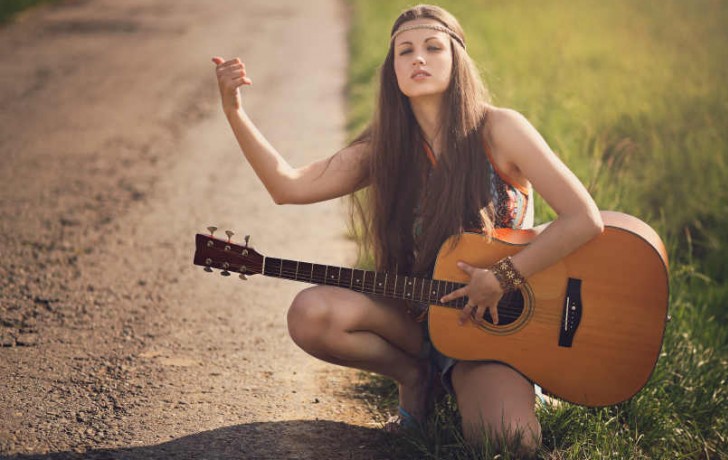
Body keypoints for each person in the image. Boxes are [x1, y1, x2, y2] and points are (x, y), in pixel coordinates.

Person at [212, 3, 602, 453]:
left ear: (457, 60)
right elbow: (288, 186)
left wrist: (503, 278)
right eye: (405, 51)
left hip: (495, 333)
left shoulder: (501, 130)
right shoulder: (385, 148)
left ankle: (508, 383)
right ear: (392, 70)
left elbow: (584, 218)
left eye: (433, 47)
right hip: (419, 321)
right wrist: (233, 110)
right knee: (310, 312)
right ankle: (415, 376)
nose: (419, 58)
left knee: (509, 442)